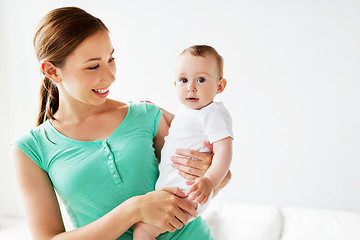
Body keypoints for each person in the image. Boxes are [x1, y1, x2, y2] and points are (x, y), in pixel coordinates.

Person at [10, 7, 231, 240]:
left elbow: (222, 174)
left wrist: (210, 168)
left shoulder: (145, 114)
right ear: (52, 71)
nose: (111, 76)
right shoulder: (30, 149)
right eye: (94, 66)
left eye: (111, 59)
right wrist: (134, 210)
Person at [133, 45, 233, 239]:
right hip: (176, 191)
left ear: (219, 86)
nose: (191, 87)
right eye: (184, 80)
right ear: (175, 84)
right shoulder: (190, 111)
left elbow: (224, 151)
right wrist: (156, 110)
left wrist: (209, 182)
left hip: (191, 192)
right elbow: (180, 127)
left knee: (143, 229)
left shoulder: (214, 114)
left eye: (201, 80)